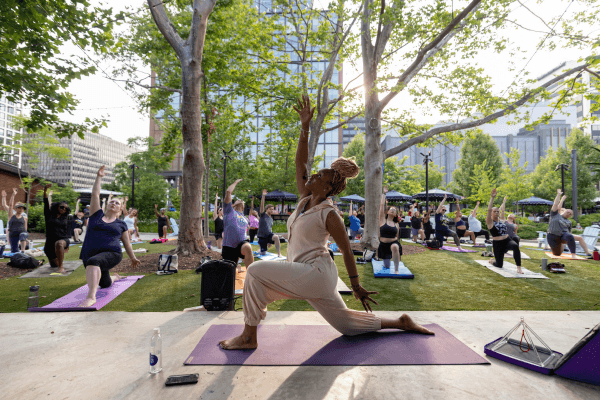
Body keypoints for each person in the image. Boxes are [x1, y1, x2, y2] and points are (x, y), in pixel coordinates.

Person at [219, 95, 433, 351]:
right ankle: (401, 321)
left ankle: (248, 336)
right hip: (303, 272)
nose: (313, 174)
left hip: (317, 273)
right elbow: (301, 163)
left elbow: (345, 249)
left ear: (328, 186)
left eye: (319, 175)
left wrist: (355, 286)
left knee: (254, 271)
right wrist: (305, 127)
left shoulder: (329, 214)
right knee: (347, 325)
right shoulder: (304, 200)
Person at [78, 165, 141, 307]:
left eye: (117, 203)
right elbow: (95, 195)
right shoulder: (96, 216)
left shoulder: (121, 224)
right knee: (105, 283)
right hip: (89, 254)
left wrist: (133, 258)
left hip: (112, 254)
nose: (113, 203)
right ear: (107, 205)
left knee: (94, 262)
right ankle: (114, 277)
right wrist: (98, 177)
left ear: (120, 209)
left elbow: (127, 243)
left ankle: (91, 297)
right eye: (112, 201)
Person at [547, 189, 593, 258]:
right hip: (553, 236)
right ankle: (553, 246)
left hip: (563, 235)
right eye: (568, 212)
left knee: (574, 237)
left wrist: (570, 239)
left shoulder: (569, 222)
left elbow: (569, 232)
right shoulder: (555, 215)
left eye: (570, 214)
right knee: (557, 254)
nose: (569, 213)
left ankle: (586, 253)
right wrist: (559, 195)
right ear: (563, 211)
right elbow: (556, 204)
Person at [486, 190, 523, 274]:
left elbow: (502, 209)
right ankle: (492, 261)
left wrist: (504, 201)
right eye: (494, 211)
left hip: (507, 240)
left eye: (497, 211)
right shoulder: (490, 222)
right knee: (499, 265)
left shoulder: (501, 220)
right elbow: (489, 209)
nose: (496, 212)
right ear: (491, 213)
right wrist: (492, 198)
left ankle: (519, 268)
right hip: (497, 244)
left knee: (515, 246)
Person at [222, 178, 253, 272]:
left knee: (247, 247)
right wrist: (235, 182)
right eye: (238, 200)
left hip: (241, 244)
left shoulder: (245, 218)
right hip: (228, 246)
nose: (240, 200)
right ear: (233, 204)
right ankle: (237, 268)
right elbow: (228, 192)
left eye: (242, 201)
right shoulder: (229, 211)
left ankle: (252, 275)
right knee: (230, 273)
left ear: (243, 207)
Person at [43, 184, 74, 273]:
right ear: (57, 206)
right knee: (53, 264)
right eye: (61, 207)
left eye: (65, 208)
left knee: (59, 243)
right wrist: (45, 191)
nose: (63, 209)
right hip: (49, 244)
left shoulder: (65, 217)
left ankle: (61, 266)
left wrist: (66, 245)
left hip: (62, 240)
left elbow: (67, 231)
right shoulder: (49, 215)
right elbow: (45, 203)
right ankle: (57, 263)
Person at [378, 187, 403, 271]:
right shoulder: (382, 220)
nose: (392, 210)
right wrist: (384, 194)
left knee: (395, 246)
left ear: (396, 215)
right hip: (383, 246)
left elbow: (397, 236)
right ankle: (387, 261)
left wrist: (396, 242)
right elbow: (381, 206)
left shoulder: (396, 224)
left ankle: (396, 270)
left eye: (394, 210)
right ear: (388, 212)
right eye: (391, 209)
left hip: (393, 243)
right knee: (387, 266)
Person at [257, 189, 282, 258]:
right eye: (270, 209)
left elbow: (269, 229)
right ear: (266, 209)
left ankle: (279, 253)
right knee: (263, 253)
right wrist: (263, 196)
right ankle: (259, 250)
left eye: (272, 209)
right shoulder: (263, 215)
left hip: (269, 235)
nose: (272, 210)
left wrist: (270, 241)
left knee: (276, 237)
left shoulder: (271, 219)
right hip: (261, 236)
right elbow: (262, 206)